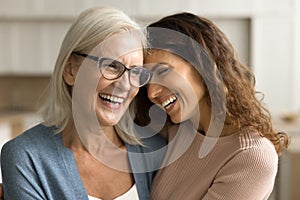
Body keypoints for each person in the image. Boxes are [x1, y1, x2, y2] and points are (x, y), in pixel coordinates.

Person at [0, 6, 165, 200]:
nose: (124, 85)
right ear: (71, 70)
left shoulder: (156, 151)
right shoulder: (27, 157)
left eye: (135, 72)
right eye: (112, 65)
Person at [135, 12, 290, 200]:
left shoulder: (251, 156)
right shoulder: (175, 132)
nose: (151, 93)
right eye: (147, 79)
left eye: (163, 71)